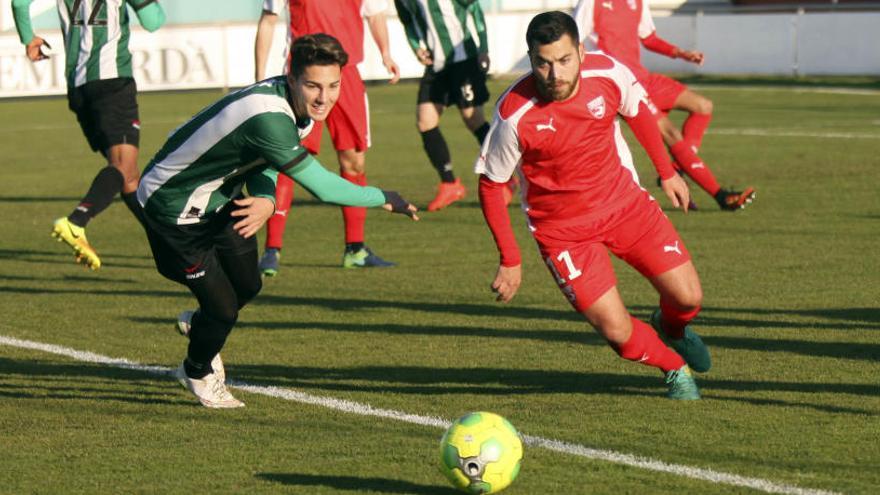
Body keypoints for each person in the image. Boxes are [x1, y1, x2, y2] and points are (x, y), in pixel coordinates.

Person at [137, 34, 418, 408]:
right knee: (223, 309)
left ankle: (201, 326)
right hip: (171, 209)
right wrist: (384, 197)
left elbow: (262, 160)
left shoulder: (295, 107)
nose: (324, 97)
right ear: (292, 77)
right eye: (313, 85)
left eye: (333, 86)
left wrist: (268, 200)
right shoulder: (271, 117)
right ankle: (196, 370)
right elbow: (323, 186)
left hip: (219, 198)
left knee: (248, 285)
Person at [477, 11, 711, 400]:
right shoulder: (513, 115)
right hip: (563, 232)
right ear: (531, 58)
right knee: (616, 331)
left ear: (581, 53)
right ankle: (673, 368)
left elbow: (637, 112)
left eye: (564, 60)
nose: (554, 74)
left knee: (688, 298)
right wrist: (510, 258)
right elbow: (490, 185)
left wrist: (666, 172)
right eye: (543, 63)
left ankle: (672, 328)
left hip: (625, 206)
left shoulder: (609, 74)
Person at [11, 0, 166, 270]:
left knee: (128, 176)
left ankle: (167, 241)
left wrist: (28, 38)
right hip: (112, 81)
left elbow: (19, 2)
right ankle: (76, 221)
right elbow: (154, 21)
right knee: (122, 165)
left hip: (79, 87)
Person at [254, 0, 402, 275]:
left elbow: (375, 13)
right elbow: (268, 20)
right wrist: (259, 76)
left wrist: (386, 53)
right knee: (288, 161)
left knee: (354, 162)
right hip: (305, 79)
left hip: (347, 77)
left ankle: (355, 249)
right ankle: (271, 251)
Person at [572, 0, 755, 211]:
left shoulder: (637, 2)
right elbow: (573, 39)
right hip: (626, 84)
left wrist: (681, 53)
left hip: (646, 77)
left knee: (703, 107)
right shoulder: (592, 2)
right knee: (671, 134)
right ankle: (721, 195)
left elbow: (648, 38)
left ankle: (678, 166)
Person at [394, 0, 496, 211]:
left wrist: (483, 47)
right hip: (437, 66)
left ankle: (506, 176)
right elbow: (408, 22)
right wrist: (416, 48)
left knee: (473, 119)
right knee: (425, 121)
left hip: (464, 60)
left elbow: (474, 8)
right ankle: (450, 183)